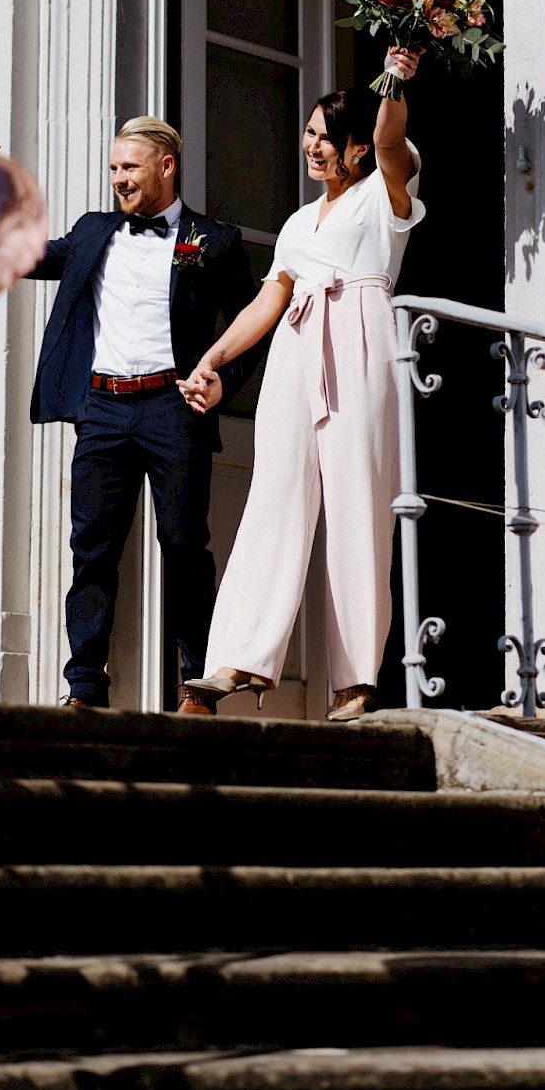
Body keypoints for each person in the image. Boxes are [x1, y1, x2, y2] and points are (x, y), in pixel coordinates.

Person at [0, 116, 261, 713]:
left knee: (183, 546)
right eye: (114, 169)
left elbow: (256, 327)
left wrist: (222, 384)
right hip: (101, 408)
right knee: (91, 548)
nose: (118, 179)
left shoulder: (215, 240)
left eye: (129, 168)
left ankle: (198, 683)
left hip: (172, 408)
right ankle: (84, 687)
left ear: (165, 167)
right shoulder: (93, 230)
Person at [178, 49, 424, 721]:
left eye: (325, 137)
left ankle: (355, 682)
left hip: (360, 346)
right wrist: (213, 360)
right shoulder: (295, 223)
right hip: (297, 347)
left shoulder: (384, 196)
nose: (312, 146)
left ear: (352, 149)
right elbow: (267, 302)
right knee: (274, 498)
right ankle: (236, 660)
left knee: (357, 510)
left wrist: (394, 79)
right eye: (309, 133)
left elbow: (390, 139)